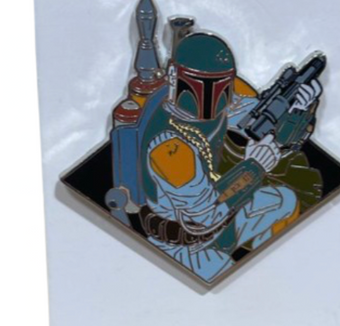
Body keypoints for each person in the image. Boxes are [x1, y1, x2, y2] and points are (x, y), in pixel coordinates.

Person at [137, 32, 322, 283]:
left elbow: (258, 115)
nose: (212, 95)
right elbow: (205, 218)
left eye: (221, 84)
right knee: (239, 284)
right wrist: (254, 167)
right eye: (202, 83)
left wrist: (300, 108)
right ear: (173, 74)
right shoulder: (169, 149)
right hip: (185, 245)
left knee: (284, 201)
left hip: (220, 214)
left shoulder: (222, 103)